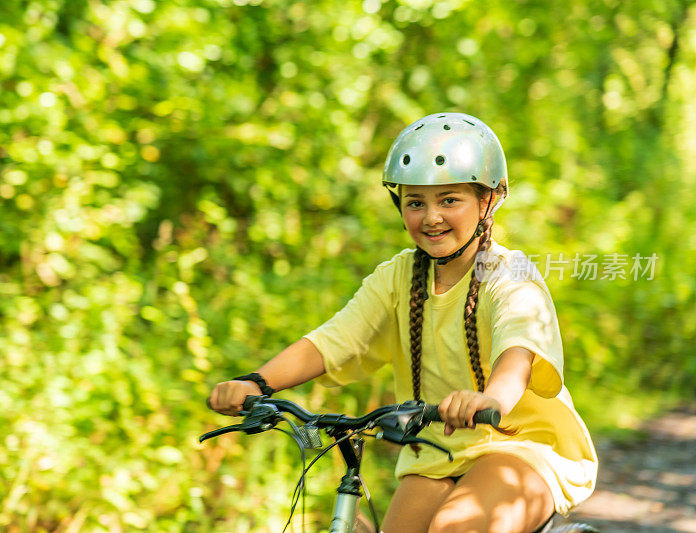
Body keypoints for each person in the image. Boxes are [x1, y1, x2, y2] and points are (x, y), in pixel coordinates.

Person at [208, 113, 597, 533]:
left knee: (456, 526)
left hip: (521, 445)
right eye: (415, 203)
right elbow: (334, 340)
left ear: (488, 200)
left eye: (449, 200)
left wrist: (492, 399)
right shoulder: (397, 278)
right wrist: (258, 384)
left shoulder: (508, 274)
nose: (430, 217)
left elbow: (518, 351)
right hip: (435, 450)